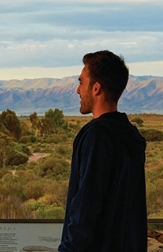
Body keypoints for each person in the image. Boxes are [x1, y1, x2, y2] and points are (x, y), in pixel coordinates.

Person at [59, 50, 147, 252]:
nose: (78, 90)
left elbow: (86, 208)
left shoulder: (96, 137)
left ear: (96, 88)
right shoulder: (130, 136)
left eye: (81, 82)